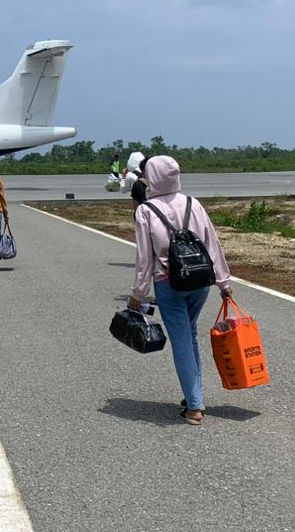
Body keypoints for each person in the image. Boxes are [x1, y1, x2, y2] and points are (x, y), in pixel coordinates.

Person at [126, 155, 232, 425]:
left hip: (168, 283)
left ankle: (195, 406)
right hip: (200, 282)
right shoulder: (194, 204)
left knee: (183, 341)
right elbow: (212, 244)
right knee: (191, 334)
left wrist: (138, 295)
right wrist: (224, 282)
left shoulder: (146, 211)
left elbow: (144, 258)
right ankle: (193, 394)